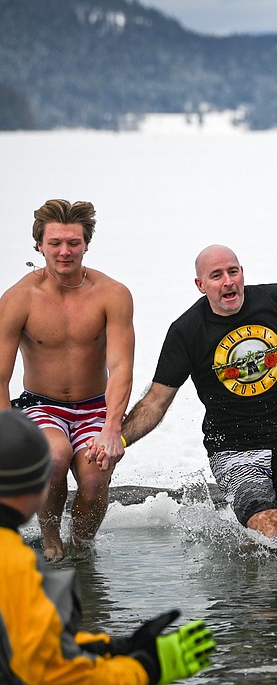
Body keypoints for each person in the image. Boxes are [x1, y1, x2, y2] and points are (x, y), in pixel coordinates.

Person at [111, 245, 277, 539]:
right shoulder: (187, 330)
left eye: (233, 271)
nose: (228, 281)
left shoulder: (275, 299)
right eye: (216, 276)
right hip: (232, 450)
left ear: (242, 273)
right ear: (200, 285)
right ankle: (253, 579)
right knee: (269, 529)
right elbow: (156, 401)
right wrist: (120, 438)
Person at [0, 409, 216, 684]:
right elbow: (54, 674)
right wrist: (146, 669)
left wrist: (108, 647)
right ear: (38, 489)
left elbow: (28, 634)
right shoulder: (18, 570)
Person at [0, 199, 134, 561]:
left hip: (94, 406)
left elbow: (121, 367)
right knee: (54, 457)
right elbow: (0, 375)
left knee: (93, 478)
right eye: (55, 242)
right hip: (40, 404)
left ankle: (82, 545)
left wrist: (111, 428)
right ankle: (50, 536)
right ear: (39, 245)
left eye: (73, 242)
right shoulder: (18, 298)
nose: (64, 251)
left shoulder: (112, 294)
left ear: (86, 243)